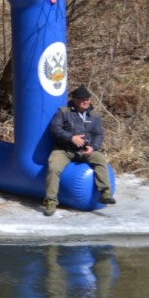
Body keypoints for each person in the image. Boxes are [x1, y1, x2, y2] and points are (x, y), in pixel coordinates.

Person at [44, 86, 116, 216]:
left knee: (99, 158)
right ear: (75, 100)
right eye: (83, 99)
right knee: (53, 167)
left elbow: (99, 134)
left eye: (87, 99)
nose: (86, 101)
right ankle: (50, 201)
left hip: (85, 150)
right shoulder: (63, 112)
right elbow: (55, 128)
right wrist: (71, 138)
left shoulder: (94, 115)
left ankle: (105, 192)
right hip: (64, 149)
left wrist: (93, 147)